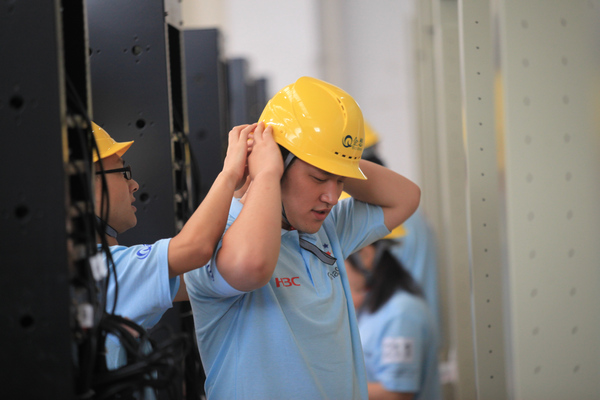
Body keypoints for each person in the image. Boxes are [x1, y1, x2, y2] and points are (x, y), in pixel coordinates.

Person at [184, 76, 421, 399]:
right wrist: (266, 172)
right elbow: (252, 266)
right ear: (275, 161)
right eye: (319, 178)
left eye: (340, 181)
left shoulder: (326, 230)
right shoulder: (217, 236)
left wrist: (336, 160)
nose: (332, 197)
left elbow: (406, 197)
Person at [91, 120, 252, 394]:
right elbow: (196, 249)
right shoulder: (103, 270)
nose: (134, 185)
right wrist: (229, 175)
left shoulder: (103, 270)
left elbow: (208, 275)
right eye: (123, 172)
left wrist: (245, 196)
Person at [345, 223, 442, 400]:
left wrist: (332, 388)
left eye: (338, 260)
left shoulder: (402, 314)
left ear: (364, 254)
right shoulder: (373, 307)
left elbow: (396, 394)